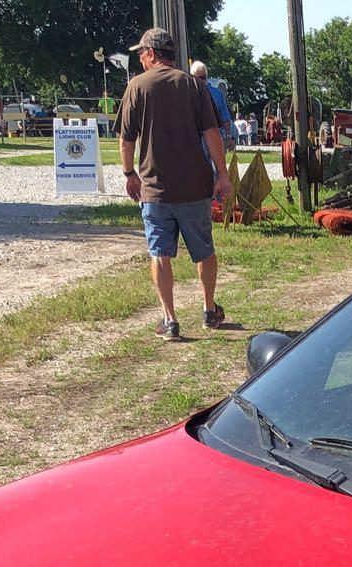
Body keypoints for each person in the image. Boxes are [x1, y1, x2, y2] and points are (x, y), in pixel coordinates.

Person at [121, 28, 230, 341]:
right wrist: (221, 174)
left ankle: (169, 320)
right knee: (204, 250)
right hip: (195, 187)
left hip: (155, 189)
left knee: (160, 253)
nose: (140, 58)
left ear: (153, 54)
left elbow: (126, 138)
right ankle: (209, 310)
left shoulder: (137, 86)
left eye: (142, 52)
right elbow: (212, 134)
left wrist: (130, 174)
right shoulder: (195, 87)